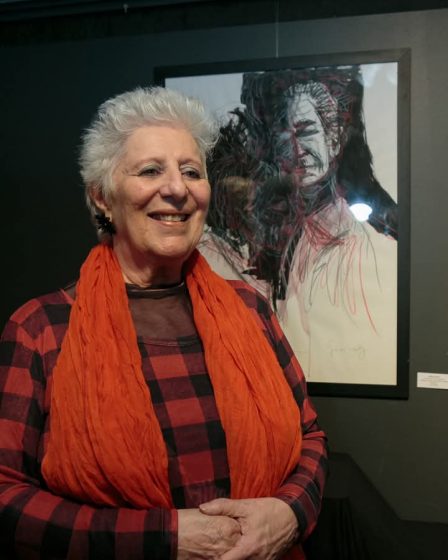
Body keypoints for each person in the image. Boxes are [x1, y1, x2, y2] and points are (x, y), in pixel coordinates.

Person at [0, 86, 328, 559]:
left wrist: (290, 514)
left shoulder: (250, 309)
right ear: (102, 197)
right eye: (151, 170)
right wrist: (163, 538)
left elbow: (310, 436)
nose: (177, 189)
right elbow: (6, 494)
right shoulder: (41, 329)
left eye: (191, 171)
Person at [202, 72, 398, 385]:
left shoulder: (357, 245)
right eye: (285, 138)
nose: (296, 148)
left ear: (334, 139)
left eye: (306, 132)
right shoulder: (295, 235)